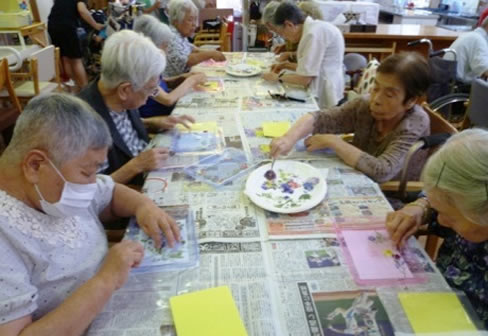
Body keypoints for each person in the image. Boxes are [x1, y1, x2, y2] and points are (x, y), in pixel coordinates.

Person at [0, 93, 180, 335]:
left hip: (115, 300)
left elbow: (111, 192)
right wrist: (106, 280)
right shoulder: (7, 234)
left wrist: (144, 206)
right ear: (35, 165)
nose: (93, 183)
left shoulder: (48, 188)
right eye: (86, 173)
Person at [270, 52, 431, 184]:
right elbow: (321, 118)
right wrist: (288, 138)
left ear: (411, 101)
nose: (376, 99)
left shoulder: (415, 122)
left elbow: (383, 171)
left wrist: (333, 142)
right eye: (376, 88)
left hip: (391, 194)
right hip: (359, 175)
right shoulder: (365, 105)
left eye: (389, 94)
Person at [386, 129, 488, 328]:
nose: (441, 221)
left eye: (451, 217)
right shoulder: (472, 202)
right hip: (440, 300)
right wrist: (422, 206)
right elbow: (445, 193)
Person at [78, 30, 194, 186]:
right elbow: (91, 189)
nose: (151, 95)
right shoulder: (84, 127)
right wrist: (136, 165)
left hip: (149, 165)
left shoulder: (116, 93)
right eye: (150, 90)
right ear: (125, 90)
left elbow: (120, 127)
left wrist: (154, 122)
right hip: (130, 190)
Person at [262, 2, 345, 108]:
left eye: (282, 33)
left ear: (289, 25)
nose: (285, 38)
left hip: (325, 89)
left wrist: (277, 77)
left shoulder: (312, 34)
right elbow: (309, 67)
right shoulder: (313, 29)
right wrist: (285, 65)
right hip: (325, 80)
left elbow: (304, 79)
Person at [133, 15, 207, 117]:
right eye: (165, 46)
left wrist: (181, 78)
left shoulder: (149, 63)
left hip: (167, 112)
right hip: (157, 118)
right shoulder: (142, 70)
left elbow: (160, 83)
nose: (167, 50)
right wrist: (192, 80)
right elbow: (168, 99)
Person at [48, 0, 104, 90]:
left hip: (52, 26)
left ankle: (76, 84)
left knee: (66, 58)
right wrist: (96, 25)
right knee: (76, 60)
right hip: (66, 26)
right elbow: (82, 10)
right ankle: (86, 89)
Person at [163, 0, 226, 77]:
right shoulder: (171, 36)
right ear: (176, 21)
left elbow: (188, 46)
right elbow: (187, 61)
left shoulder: (179, 34)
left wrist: (202, 50)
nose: (195, 25)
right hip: (173, 84)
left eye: (195, 20)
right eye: (190, 20)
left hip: (183, 78)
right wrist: (210, 54)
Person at [444, 13, 488, 84]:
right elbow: (484, 69)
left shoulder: (471, 35)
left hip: (448, 81)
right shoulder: (479, 40)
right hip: (458, 86)